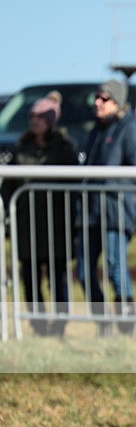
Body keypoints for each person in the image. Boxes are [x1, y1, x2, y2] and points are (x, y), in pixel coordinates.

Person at [0, 93, 79, 336]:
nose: (34, 120)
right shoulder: (20, 148)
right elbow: (9, 188)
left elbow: (75, 187)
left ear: (50, 120)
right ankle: (38, 323)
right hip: (28, 225)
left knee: (58, 277)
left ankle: (60, 324)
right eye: (31, 116)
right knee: (30, 277)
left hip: (57, 224)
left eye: (40, 116)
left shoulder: (65, 150)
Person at [76, 80, 136, 335]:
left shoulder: (129, 128)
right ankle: (103, 323)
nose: (97, 102)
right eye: (96, 97)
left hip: (116, 212)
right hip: (89, 212)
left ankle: (126, 326)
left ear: (116, 102)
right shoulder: (95, 129)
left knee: (115, 267)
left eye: (104, 98)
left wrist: (109, 181)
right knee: (84, 271)